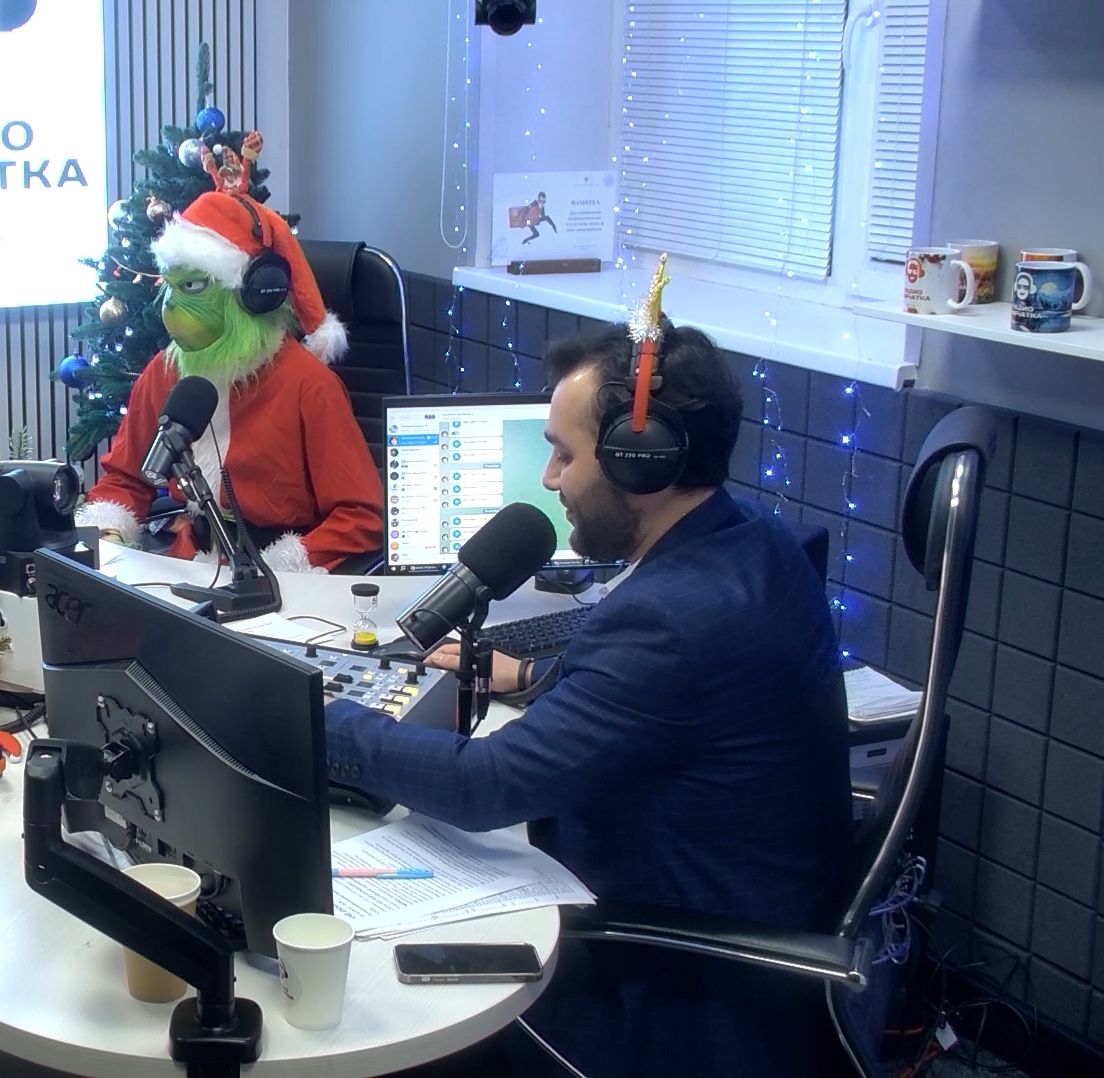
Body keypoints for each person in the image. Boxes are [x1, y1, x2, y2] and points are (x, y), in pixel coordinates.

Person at [324, 323, 851, 1077]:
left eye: (564, 455)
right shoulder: (756, 542)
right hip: (739, 924)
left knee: (372, 1016)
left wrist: (326, 720)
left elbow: (485, 785)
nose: (550, 480)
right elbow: (667, 706)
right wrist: (538, 676)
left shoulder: (669, 620)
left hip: (667, 993)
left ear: (643, 460)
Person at [77, 184, 383, 572]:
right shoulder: (166, 371)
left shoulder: (309, 386)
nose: (171, 306)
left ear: (253, 293)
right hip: (187, 566)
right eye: (170, 285)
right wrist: (109, 532)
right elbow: (126, 479)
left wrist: (285, 564)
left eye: (192, 286)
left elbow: (361, 517)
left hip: (279, 578)